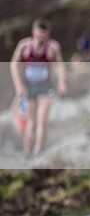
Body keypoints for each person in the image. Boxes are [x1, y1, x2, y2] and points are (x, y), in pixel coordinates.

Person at [9, 18, 67, 156]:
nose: (41, 36)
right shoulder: (24, 46)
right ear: (33, 32)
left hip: (46, 86)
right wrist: (18, 85)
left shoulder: (53, 47)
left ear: (48, 34)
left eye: (44, 33)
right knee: (31, 122)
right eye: (39, 33)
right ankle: (27, 151)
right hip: (29, 86)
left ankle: (38, 151)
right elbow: (13, 64)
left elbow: (59, 65)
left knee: (42, 121)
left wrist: (61, 82)